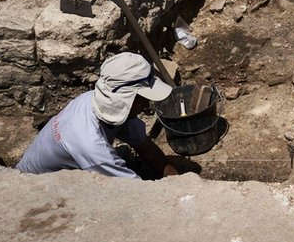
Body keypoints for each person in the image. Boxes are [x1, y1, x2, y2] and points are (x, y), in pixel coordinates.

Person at [17, 52, 180, 179]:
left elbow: (145, 147)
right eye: (144, 99)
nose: (147, 105)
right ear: (129, 99)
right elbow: (134, 190)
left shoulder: (98, 101)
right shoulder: (93, 148)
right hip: (34, 188)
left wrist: (178, 182)